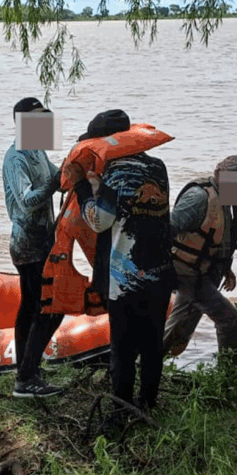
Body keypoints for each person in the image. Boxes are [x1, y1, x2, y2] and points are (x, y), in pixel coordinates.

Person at [68, 109, 175, 412]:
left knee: (123, 349)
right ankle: (149, 404)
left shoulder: (116, 172)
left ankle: (121, 411)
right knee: (152, 345)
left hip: (126, 279)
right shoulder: (158, 167)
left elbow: (100, 221)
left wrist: (82, 188)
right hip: (159, 272)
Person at [162, 155, 237, 365]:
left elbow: (219, 239)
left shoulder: (224, 200)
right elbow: (166, 231)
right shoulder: (199, 198)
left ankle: (141, 368)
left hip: (201, 274)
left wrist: (226, 268)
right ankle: (228, 379)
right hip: (187, 275)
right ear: (223, 178)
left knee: (176, 333)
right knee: (230, 321)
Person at [2, 96, 64, 398]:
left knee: (31, 307)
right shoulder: (16, 157)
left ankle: (27, 369)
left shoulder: (38, 151)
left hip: (43, 242)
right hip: (27, 245)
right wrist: (54, 185)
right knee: (47, 308)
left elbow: (58, 179)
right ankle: (26, 378)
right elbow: (27, 202)